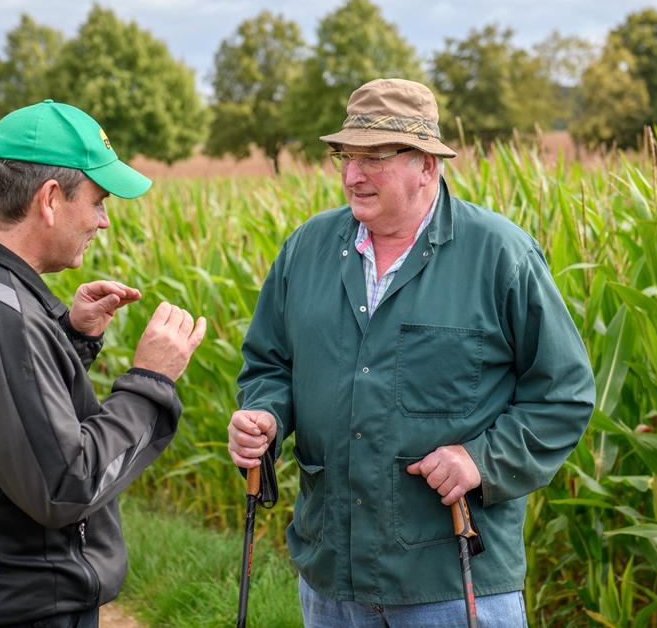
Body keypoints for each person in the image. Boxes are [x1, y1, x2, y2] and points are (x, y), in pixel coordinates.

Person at [227, 79, 595, 627]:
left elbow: (563, 394)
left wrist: (481, 460)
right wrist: (265, 415)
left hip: (454, 580)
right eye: (345, 156)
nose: (353, 175)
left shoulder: (500, 256)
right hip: (333, 578)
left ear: (426, 163)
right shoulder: (305, 251)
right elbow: (269, 365)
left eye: (374, 157)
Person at [0, 99, 206, 628]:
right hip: (19, 605)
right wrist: (151, 381)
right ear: (51, 199)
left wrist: (68, 337)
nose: (103, 221)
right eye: (100, 201)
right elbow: (66, 485)